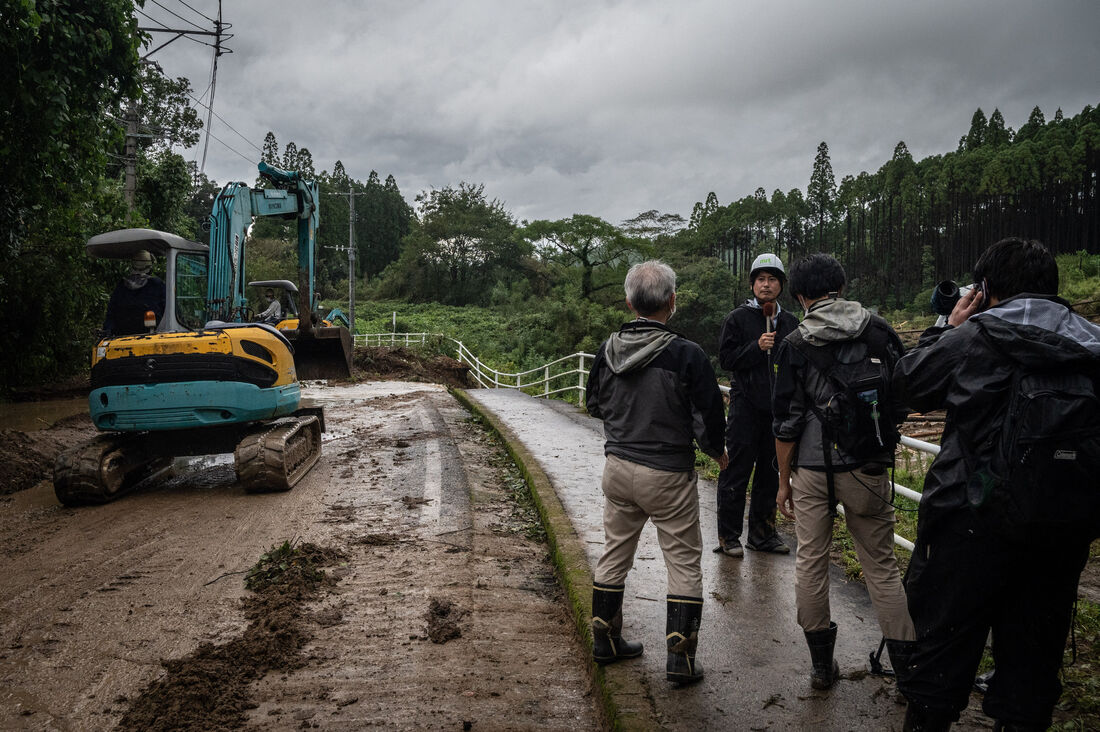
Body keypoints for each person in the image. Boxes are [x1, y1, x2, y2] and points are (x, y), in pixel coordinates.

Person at [892, 238, 1100, 731]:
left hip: (967, 524)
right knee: (1031, 670)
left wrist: (946, 327)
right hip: (1059, 530)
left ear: (984, 289)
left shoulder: (975, 337)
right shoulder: (1092, 341)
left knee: (939, 665)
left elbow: (907, 384)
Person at [771, 253, 915, 691]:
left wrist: (782, 482)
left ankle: (820, 668)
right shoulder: (880, 332)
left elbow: (786, 422)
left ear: (799, 295)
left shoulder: (794, 342)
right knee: (882, 567)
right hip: (867, 467)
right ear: (841, 285)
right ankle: (909, 677)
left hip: (812, 470)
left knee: (811, 560)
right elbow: (903, 396)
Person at [585, 260, 729, 686]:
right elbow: (708, 415)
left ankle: (606, 643)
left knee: (614, 553)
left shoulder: (609, 349)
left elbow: (594, 404)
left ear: (629, 302)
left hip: (618, 468)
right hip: (667, 473)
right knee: (683, 562)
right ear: (672, 301)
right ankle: (680, 661)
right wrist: (716, 452)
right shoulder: (687, 354)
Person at [715, 252, 798, 557]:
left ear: (781, 285)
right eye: (761, 280)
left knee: (769, 471)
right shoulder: (738, 318)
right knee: (736, 470)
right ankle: (729, 536)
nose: (766, 285)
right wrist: (755, 346)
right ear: (752, 285)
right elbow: (726, 359)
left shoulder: (790, 321)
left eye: (772, 279)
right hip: (744, 407)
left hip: (777, 409)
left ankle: (762, 535)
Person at [102, 249, 166, 337]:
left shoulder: (121, 286)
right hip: (152, 335)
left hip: (121, 336)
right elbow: (167, 308)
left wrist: (107, 331)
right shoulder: (156, 284)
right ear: (150, 266)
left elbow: (111, 313)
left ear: (132, 265)